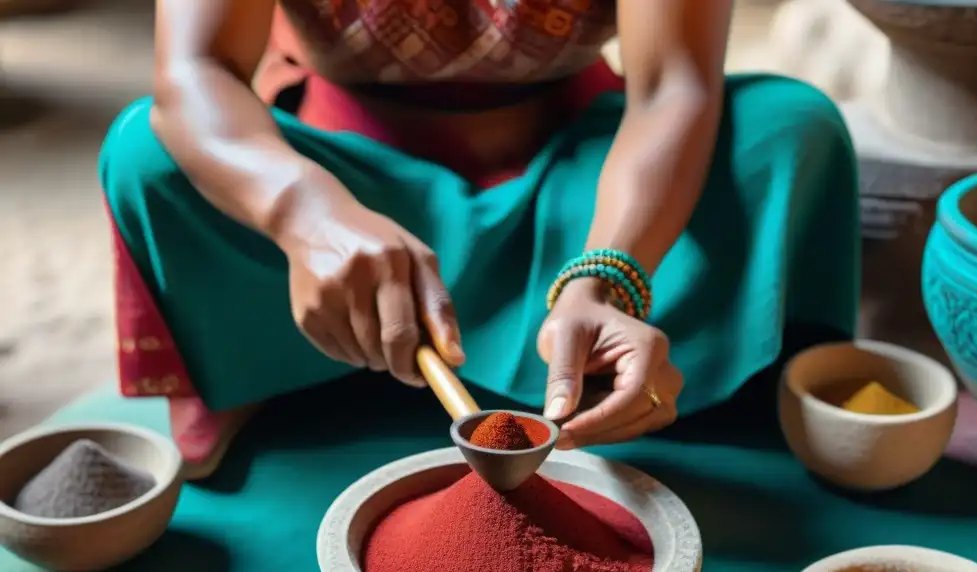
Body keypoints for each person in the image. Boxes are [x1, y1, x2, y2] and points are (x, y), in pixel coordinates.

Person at [99, 0, 859, 480]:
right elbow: (196, 71)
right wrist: (305, 215)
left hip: (573, 187)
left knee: (790, 130)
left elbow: (672, 86)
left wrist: (607, 276)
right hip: (350, 184)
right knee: (150, 152)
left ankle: (301, 359)